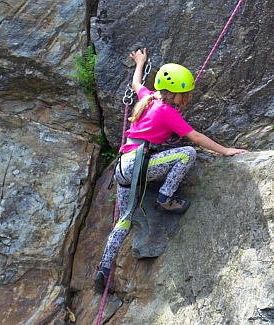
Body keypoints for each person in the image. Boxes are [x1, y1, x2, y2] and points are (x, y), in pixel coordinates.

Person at [94, 48, 247, 294]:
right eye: (184, 95)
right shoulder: (168, 112)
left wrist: (140, 62)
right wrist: (226, 150)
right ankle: (166, 197)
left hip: (123, 167)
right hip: (139, 165)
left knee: (124, 220)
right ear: (174, 93)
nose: (187, 99)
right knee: (187, 153)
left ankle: (103, 268)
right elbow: (195, 137)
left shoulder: (149, 98)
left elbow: (136, 83)